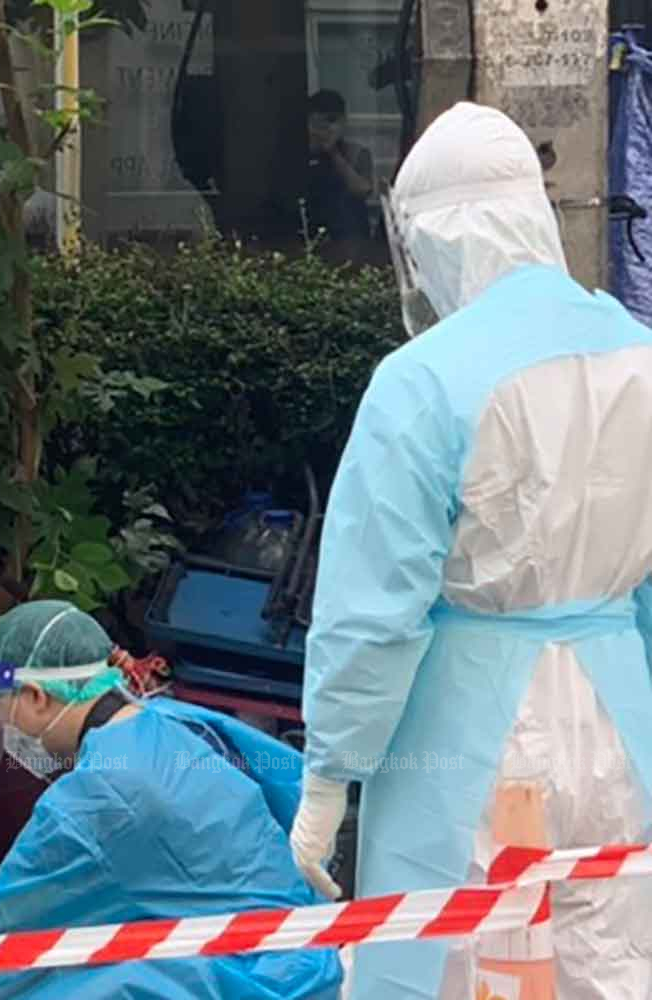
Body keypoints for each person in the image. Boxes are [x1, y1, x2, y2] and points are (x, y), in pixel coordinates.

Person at [292, 100, 652, 999]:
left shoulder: (422, 382)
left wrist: (331, 774)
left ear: (433, 240)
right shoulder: (640, 358)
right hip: (621, 719)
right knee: (612, 957)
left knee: (462, 961)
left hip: (471, 732)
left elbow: (373, 608)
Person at [0, 601, 343, 1000]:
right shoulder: (175, 721)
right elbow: (290, 784)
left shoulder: (98, 802)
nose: (5, 731)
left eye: (4, 714)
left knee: (48, 979)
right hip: (303, 959)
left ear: (37, 697)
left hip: (247, 979)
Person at [303, 90, 374, 244]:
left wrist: (334, 153)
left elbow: (363, 190)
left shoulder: (357, 153)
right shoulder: (301, 154)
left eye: (332, 121)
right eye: (318, 122)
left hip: (349, 234)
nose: (325, 128)